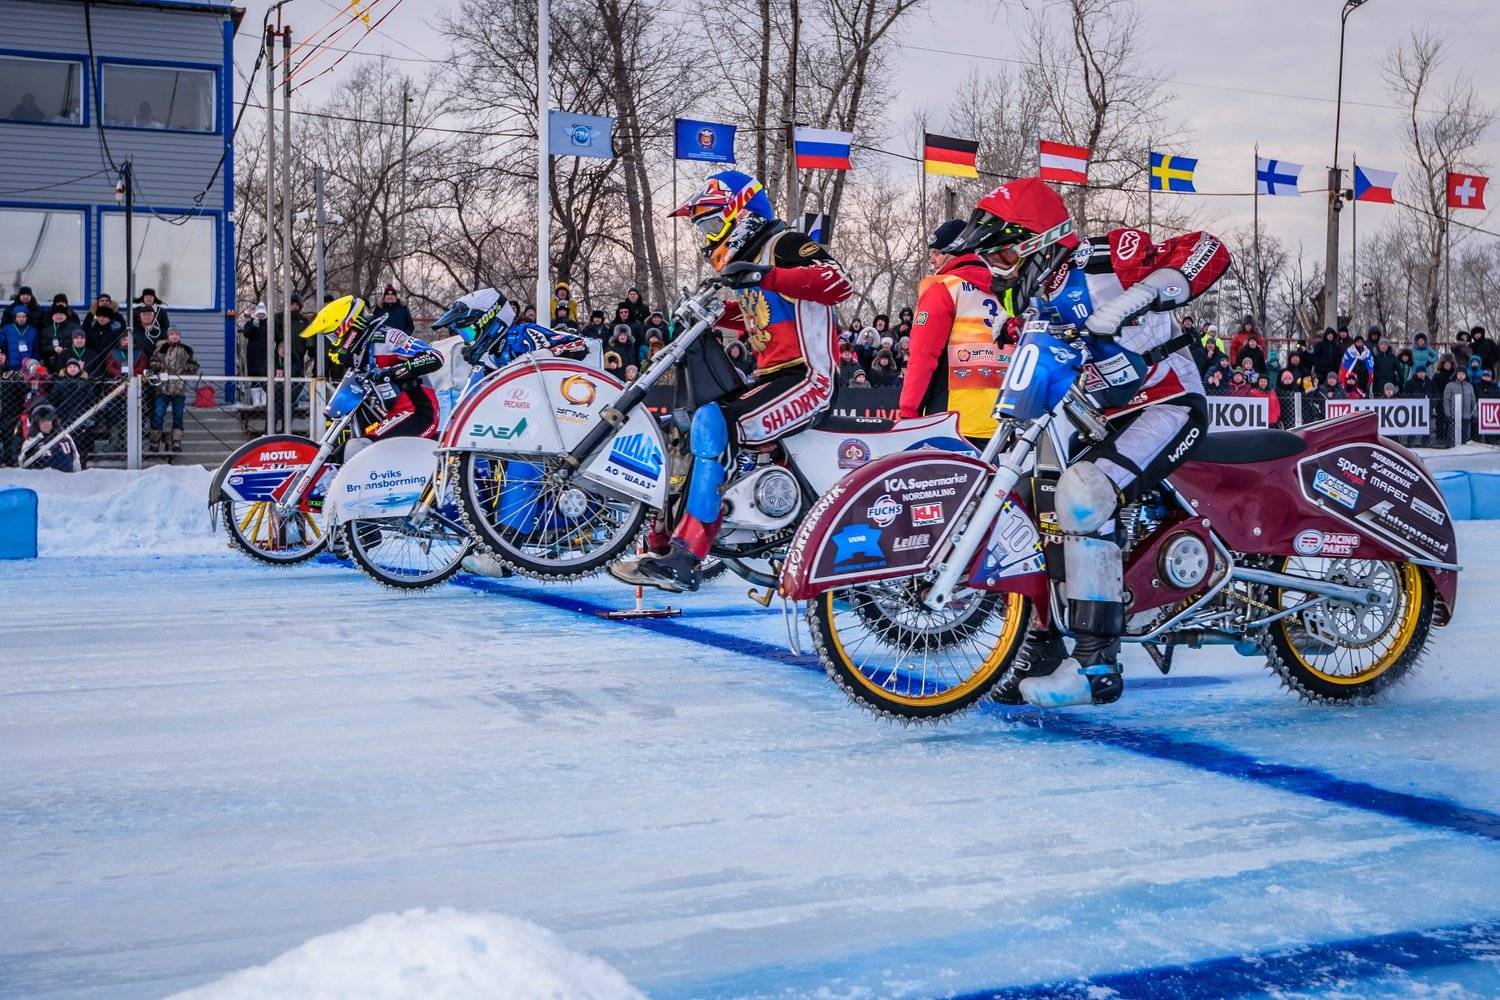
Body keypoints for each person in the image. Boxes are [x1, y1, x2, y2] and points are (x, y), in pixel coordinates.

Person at [941, 176, 1229, 708]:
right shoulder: (1031, 304)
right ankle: (1039, 645)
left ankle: (1097, 664)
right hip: (1095, 418)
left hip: (1164, 403)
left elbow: (1208, 250)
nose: (996, 268)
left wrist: (1137, 297)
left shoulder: (1105, 259)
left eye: (1001, 253)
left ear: (1035, 241)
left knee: (1082, 492)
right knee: (1026, 504)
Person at [610, 169, 852, 592]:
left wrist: (766, 276)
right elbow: (763, 316)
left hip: (808, 378)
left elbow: (839, 284)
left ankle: (689, 555)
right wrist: (714, 316)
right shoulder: (753, 263)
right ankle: (663, 542)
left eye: (709, 223)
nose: (706, 238)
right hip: (770, 376)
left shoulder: (786, 244)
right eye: (701, 227)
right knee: (687, 425)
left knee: (714, 424)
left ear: (740, 213)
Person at [899, 217, 1007, 444]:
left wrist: (909, 413)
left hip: (953, 418)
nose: (932, 260)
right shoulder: (1008, 288)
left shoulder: (943, 286)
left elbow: (923, 355)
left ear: (954, 251)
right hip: (1004, 419)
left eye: (936, 253)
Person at [300, 295, 444, 455]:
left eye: (334, 335)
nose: (334, 342)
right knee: (344, 452)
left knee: (364, 450)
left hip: (418, 412)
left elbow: (435, 356)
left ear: (348, 326)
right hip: (387, 415)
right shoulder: (360, 350)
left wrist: (394, 372)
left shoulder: (387, 338)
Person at [147, 327, 199, 453]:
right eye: (172, 334)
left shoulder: (186, 350)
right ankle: (154, 443)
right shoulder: (161, 349)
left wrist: (187, 367)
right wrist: (160, 366)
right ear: (168, 336)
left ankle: (176, 442)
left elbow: (194, 366)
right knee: (158, 416)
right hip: (162, 389)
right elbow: (152, 363)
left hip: (179, 389)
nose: (174, 336)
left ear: (180, 336)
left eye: (176, 334)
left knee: (178, 417)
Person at [17, 403, 80, 472]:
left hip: (67, 477)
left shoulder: (65, 437)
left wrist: (76, 474)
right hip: (44, 478)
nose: (46, 424)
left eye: (48, 421)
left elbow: (75, 458)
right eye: (42, 422)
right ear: (36, 424)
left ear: (53, 422)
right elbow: (22, 462)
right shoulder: (31, 441)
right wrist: (30, 454)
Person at [2, 305, 38, 371]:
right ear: (14, 317)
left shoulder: (33, 331)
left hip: (27, 367)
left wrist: (33, 364)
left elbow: (36, 350)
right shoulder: (7, 329)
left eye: (23, 316)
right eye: (18, 316)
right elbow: (1, 344)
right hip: (10, 366)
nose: (21, 319)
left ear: (27, 317)